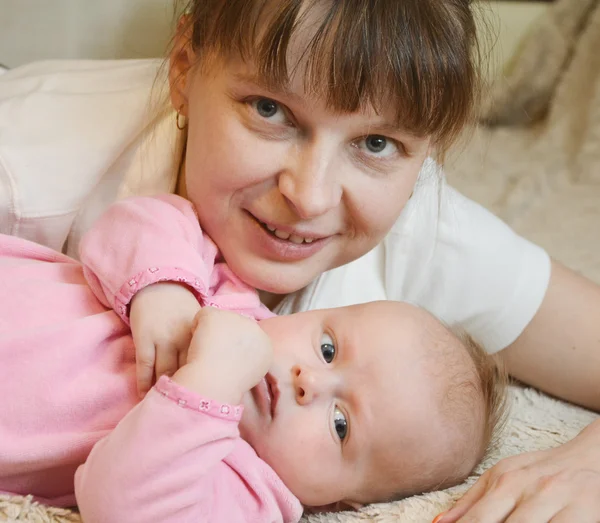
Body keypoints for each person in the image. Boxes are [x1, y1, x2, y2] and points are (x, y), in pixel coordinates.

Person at [0, 1, 599, 521]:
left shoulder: (427, 235)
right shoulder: (28, 160)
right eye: (269, 109)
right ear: (184, 68)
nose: (309, 197)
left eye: (376, 143)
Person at [0, 194, 506, 522]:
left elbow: (122, 504)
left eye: (340, 424)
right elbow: (142, 217)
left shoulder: (246, 488)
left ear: (343, 500)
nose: (309, 382)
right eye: (327, 348)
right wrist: (165, 287)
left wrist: (210, 384)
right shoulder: (232, 297)